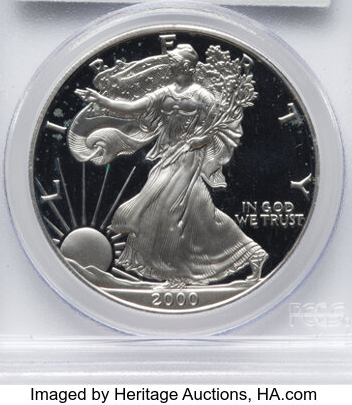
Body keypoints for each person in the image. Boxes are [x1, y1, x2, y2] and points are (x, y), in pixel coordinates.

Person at [70, 44, 267, 287]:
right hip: (168, 155)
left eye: (172, 62)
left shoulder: (203, 96)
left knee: (167, 208)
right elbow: (132, 107)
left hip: (189, 156)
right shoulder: (165, 92)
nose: (168, 66)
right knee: (200, 213)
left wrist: (200, 140)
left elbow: (221, 127)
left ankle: (178, 274)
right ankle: (251, 253)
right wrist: (102, 100)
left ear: (185, 66)